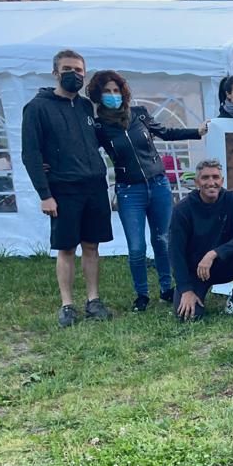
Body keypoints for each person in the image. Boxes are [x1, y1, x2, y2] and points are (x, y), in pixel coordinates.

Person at [88, 69, 209, 312]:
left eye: (116, 90)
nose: (113, 95)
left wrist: (197, 131)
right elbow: (84, 149)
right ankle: (141, 294)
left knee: (163, 239)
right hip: (128, 190)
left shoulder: (138, 115)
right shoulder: (99, 127)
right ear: (98, 96)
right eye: (107, 92)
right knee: (136, 247)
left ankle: (166, 287)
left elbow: (165, 132)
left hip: (158, 184)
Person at [22, 49, 114, 327]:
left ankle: (93, 300)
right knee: (66, 248)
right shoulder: (37, 108)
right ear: (55, 73)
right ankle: (67, 305)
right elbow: (31, 154)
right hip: (63, 189)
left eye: (78, 70)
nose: (73, 75)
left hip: (94, 186)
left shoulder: (86, 106)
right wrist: (45, 195)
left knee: (91, 246)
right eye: (67, 69)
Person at [168, 159, 233, 321]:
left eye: (216, 177)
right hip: (196, 271)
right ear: (197, 182)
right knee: (188, 317)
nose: (211, 182)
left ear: (222, 181)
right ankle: (193, 293)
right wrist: (185, 289)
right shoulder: (182, 209)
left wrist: (213, 254)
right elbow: (176, 253)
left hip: (223, 264)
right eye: (205, 178)